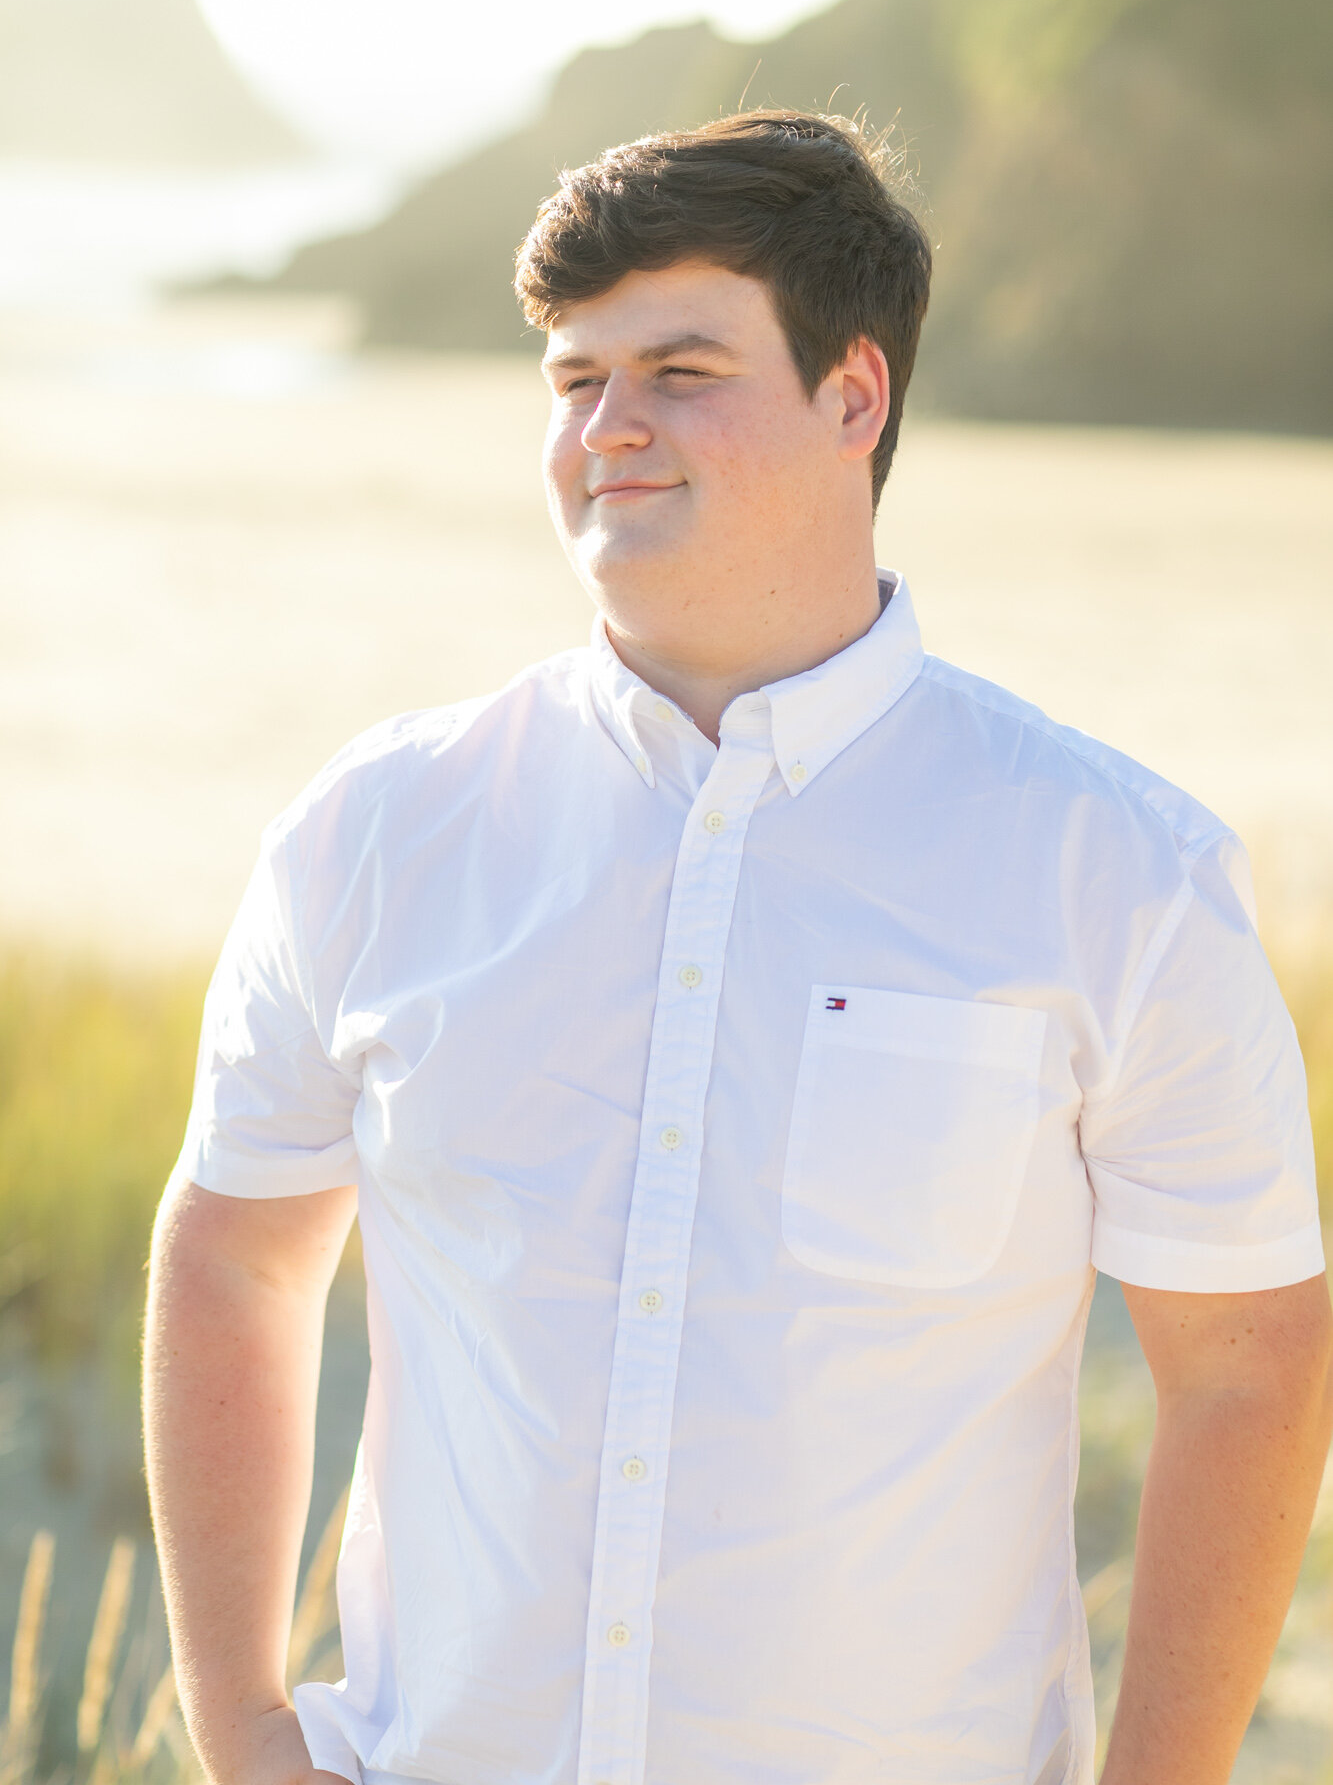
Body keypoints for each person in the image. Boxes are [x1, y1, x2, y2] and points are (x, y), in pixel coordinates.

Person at [143, 110, 1332, 1785]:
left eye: (679, 369)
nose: (607, 429)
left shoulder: (1112, 870)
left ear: (856, 396)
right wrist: (243, 1728)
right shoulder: (381, 829)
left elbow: (1250, 1371)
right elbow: (236, 1255)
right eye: (572, 382)